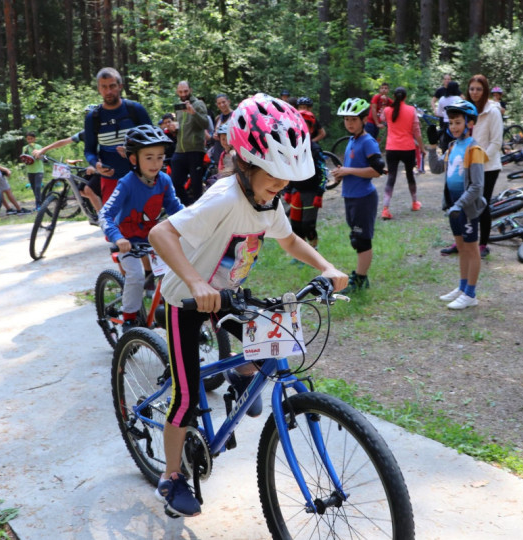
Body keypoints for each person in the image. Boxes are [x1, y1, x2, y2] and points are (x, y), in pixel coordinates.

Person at [147, 93, 348, 518]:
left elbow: (290, 240)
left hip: (224, 296)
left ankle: (243, 375)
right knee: (185, 396)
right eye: (274, 176)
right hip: (186, 298)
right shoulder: (223, 199)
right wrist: (196, 282)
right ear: (245, 164)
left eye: (287, 178)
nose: (282, 186)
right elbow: (161, 235)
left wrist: (328, 267)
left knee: (277, 343)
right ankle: (171, 476)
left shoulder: (268, 201)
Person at [99, 125, 184, 333]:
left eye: (160, 157)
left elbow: (175, 208)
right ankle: (129, 319)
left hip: (153, 239)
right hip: (128, 242)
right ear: (134, 159)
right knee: (136, 276)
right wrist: (118, 239)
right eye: (149, 157)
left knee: (174, 270)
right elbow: (106, 214)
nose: (156, 163)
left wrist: (194, 223)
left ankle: (166, 310)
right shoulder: (126, 183)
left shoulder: (163, 180)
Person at [438, 99, 488, 310]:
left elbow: (477, 186)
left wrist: (459, 204)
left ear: (469, 123)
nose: (454, 127)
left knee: (471, 249)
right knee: (460, 248)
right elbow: (436, 169)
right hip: (454, 206)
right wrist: (432, 147)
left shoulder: (474, 149)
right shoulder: (452, 147)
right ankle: (462, 287)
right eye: (451, 123)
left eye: (458, 122)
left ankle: (471, 293)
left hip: (466, 207)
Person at [332, 97, 386, 294]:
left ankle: (360, 280)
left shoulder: (367, 142)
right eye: (346, 120)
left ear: (364, 119)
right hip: (351, 197)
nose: (349, 123)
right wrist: (341, 174)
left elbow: (378, 170)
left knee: (362, 240)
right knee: (356, 238)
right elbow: (352, 167)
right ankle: (361, 276)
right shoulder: (352, 141)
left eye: (353, 119)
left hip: (364, 198)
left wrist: (348, 171)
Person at [84, 67, 152, 207]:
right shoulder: (93, 118)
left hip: (140, 177)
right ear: (99, 89)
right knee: (115, 225)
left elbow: (154, 141)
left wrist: (133, 149)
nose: (108, 91)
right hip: (110, 180)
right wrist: (96, 164)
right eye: (104, 87)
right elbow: (89, 150)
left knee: (142, 223)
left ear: (120, 86)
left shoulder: (135, 110)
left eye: (112, 86)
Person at [34, 105, 103, 211]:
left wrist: (96, 166)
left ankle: (104, 219)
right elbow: (64, 141)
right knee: (80, 191)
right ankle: (101, 207)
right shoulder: (85, 133)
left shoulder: (104, 131)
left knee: (89, 190)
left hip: (104, 166)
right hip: (94, 166)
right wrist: (43, 150)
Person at [466, 74, 503, 259]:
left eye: (479, 89)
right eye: (472, 88)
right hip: (468, 164)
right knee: (467, 203)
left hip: (488, 166)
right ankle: (467, 240)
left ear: (485, 90)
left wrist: (480, 160)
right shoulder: (466, 109)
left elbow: (496, 142)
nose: (475, 92)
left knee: (482, 204)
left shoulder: (493, 111)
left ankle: (482, 244)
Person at [286, 108, 327, 249]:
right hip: (296, 191)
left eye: (306, 125)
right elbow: (290, 169)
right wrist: (288, 189)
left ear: (311, 128)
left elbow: (323, 172)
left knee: (308, 226)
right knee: (296, 226)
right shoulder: (292, 148)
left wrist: (320, 193)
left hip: (311, 192)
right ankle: (301, 254)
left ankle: (313, 250)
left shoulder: (315, 148)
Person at [380, 87, 423, 219]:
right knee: (410, 175)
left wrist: (384, 105)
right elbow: (417, 131)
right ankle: (415, 202)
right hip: (408, 148)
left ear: (394, 96)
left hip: (391, 148)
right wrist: (422, 147)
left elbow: (381, 118)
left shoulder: (388, 110)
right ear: (405, 97)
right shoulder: (411, 110)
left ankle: (385, 209)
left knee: (391, 177)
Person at [171, 80, 209, 205]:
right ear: (177, 92)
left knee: (196, 184)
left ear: (190, 90)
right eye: (180, 91)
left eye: (185, 91)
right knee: (175, 182)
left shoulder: (198, 104)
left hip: (195, 149)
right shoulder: (179, 107)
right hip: (180, 150)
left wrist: (194, 113)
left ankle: (198, 211)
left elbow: (205, 124)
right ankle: (187, 207)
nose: (183, 94)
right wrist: (174, 129)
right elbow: (183, 128)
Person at [436, 80, 462, 153]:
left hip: (446, 124)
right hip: (457, 123)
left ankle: (445, 158)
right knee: (457, 141)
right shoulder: (458, 99)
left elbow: (439, 113)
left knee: (446, 143)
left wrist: (445, 115)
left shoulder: (442, 99)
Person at [22, 131, 45, 209]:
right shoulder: (25, 148)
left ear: (34, 139)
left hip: (38, 170)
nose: (30, 141)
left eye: (31, 139)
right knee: (34, 188)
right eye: (28, 139)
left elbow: (43, 157)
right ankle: (39, 202)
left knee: (38, 187)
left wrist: (38, 154)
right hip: (30, 171)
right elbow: (24, 158)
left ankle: (39, 204)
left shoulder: (39, 146)